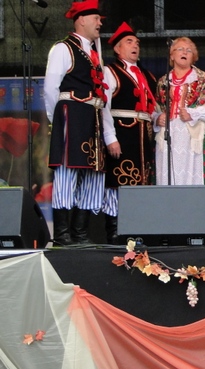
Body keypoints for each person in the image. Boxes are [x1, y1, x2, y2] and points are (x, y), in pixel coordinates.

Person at [44, 0, 108, 245]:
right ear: (81, 20)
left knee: (93, 173)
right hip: (71, 113)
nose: (100, 23)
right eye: (96, 18)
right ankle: (62, 235)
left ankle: (80, 233)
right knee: (67, 172)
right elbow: (51, 88)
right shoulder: (64, 48)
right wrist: (57, 119)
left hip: (92, 117)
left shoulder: (94, 53)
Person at [102, 22, 158, 244]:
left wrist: (157, 119)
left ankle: (138, 229)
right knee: (118, 182)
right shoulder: (110, 71)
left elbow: (151, 108)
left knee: (142, 184)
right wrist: (110, 138)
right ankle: (115, 230)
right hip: (122, 134)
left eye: (137, 43)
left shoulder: (147, 75)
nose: (135, 46)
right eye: (129, 42)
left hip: (143, 138)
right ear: (117, 48)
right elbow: (104, 107)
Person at [155, 37, 205, 186]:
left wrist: (193, 114)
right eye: (180, 49)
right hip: (168, 136)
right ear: (172, 55)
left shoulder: (202, 79)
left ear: (193, 57)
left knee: (191, 178)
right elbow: (155, 109)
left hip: (192, 136)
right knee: (167, 176)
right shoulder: (163, 81)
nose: (185, 52)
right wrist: (157, 118)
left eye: (189, 50)